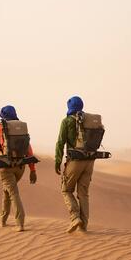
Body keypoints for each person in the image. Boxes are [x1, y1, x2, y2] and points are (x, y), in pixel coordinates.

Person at [0, 105, 37, 232]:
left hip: (5, 166)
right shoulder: (21, 128)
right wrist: (32, 169)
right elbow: (29, 150)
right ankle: (3, 220)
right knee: (7, 191)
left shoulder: (0, 127)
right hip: (20, 166)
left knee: (13, 193)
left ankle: (20, 222)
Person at [55, 96, 94, 233]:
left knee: (66, 190)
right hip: (90, 161)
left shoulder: (67, 122)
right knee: (83, 194)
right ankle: (84, 226)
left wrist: (57, 161)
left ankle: (75, 218)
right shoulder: (89, 121)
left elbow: (60, 143)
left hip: (75, 161)